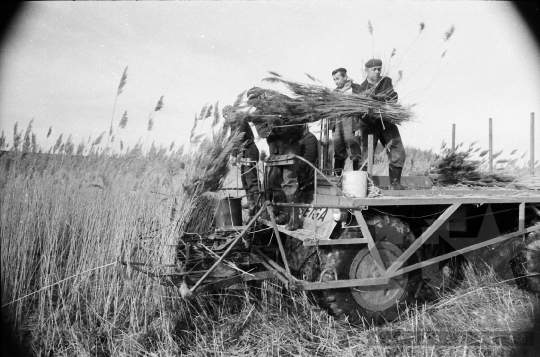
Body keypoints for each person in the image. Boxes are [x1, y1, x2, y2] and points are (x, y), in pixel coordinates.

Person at [246, 87, 305, 230]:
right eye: (253, 104)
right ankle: (282, 214)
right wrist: (272, 123)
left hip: (290, 146)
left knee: (289, 180)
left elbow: (298, 119)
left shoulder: (280, 100)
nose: (256, 105)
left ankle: (295, 219)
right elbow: (263, 133)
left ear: (263, 96)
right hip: (275, 150)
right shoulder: (256, 115)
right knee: (273, 180)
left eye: (257, 101)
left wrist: (283, 118)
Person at [357, 59, 406, 190]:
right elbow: (359, 111)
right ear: (366, 71)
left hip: (386, 122)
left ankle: (395, 184)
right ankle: (363, 186)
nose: (378, 71)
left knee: (398, 151)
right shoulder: (361, 88)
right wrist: (366, 115)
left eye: (379, 69)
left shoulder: (386, 81)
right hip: (370, 125)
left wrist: (377, 100)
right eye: (374, 69)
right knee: (366, 156)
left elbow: (393, 97)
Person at [222, 105, 260, 214]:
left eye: (225, 116)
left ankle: (256, 205)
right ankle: (250, 200)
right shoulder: (235, 121)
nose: (226, 119)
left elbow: (237, 137)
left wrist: (233, 155)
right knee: (244, 178)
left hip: (250, 150)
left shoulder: (238, 119)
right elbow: (232, 138)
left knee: (251, 179)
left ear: (228, 113)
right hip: (245, 151)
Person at [331, 68, 362, 174]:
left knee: (353, 147)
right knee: (338, 148)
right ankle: (337, 178)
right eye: (334, 79)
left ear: (345, 77)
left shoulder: (356, 89)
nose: (336, 82)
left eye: (338, 78)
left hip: (351, 121)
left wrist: (358, 126)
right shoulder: (335, 92)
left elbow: (361, 109)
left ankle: (356, 176)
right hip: (337, 122)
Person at [298, 124, 319, 196]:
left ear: (304, 125)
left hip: (305, 173)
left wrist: (296, 169)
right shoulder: (299, 138)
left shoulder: (310, 138)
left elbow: (309, 157)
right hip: (300, 172)